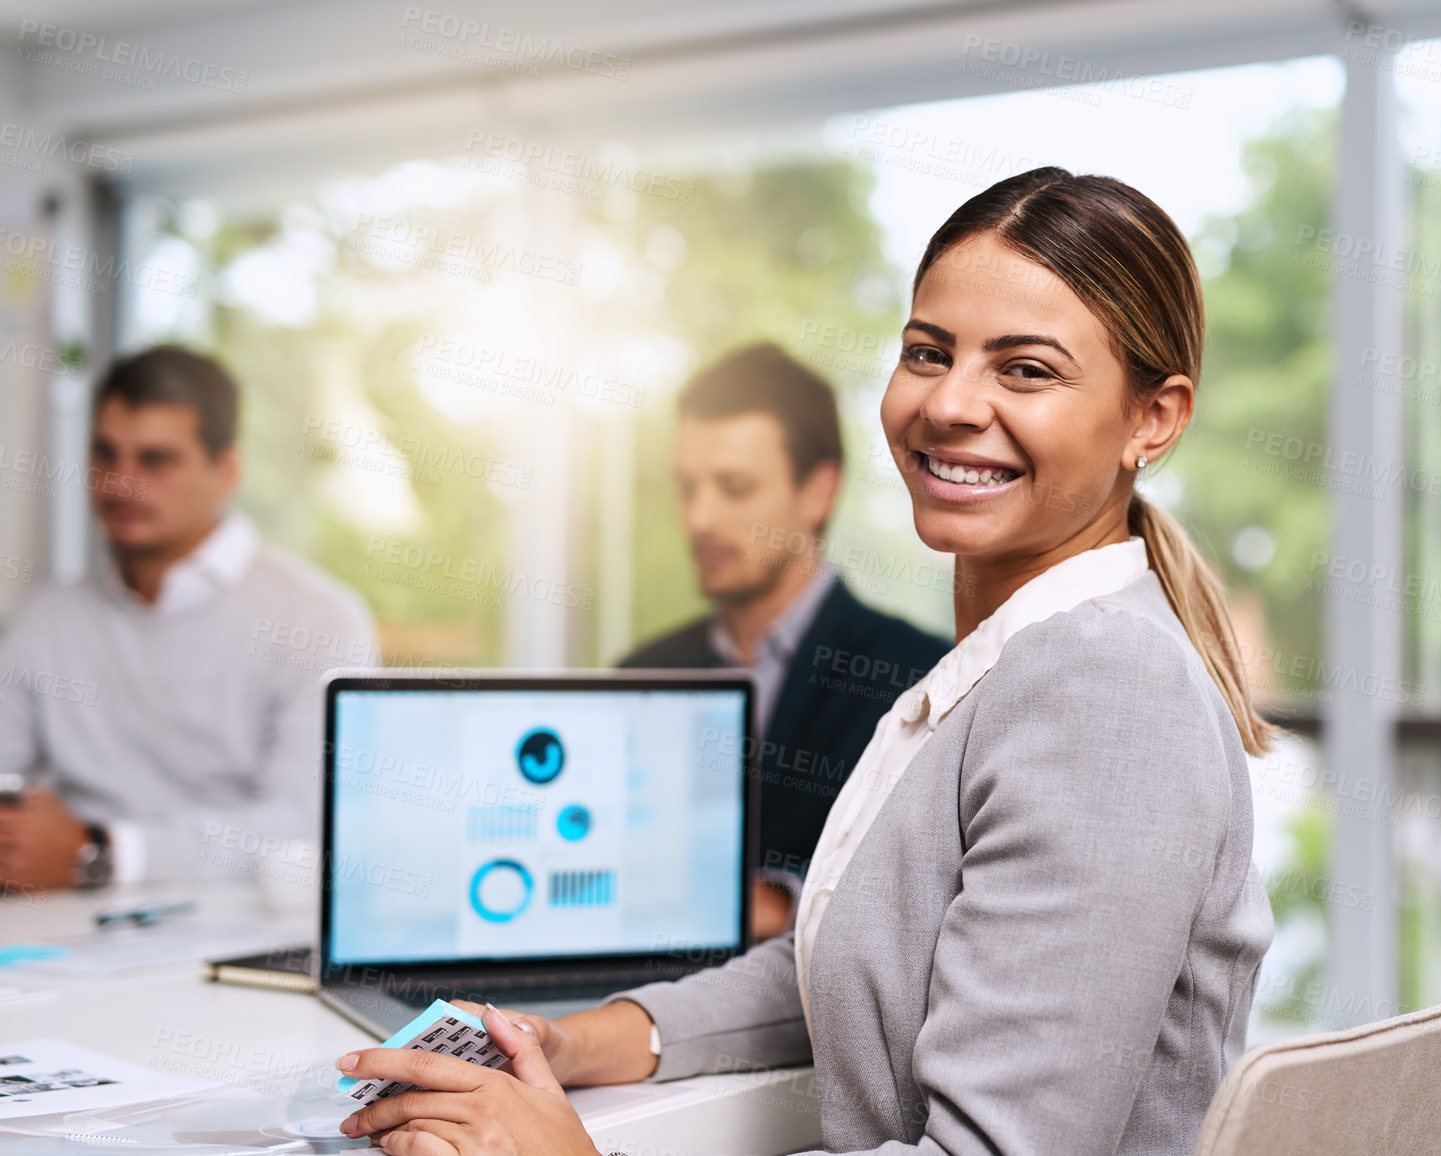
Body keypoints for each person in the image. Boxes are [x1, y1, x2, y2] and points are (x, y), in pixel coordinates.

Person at [334, 168, 1276, 1156]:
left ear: (1152, 419)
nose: (949, 403)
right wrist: (569, 1039)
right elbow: (854, 961)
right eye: (927, 352)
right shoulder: (1016, 657)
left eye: (1025, 370)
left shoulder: (1101, 687)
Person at [0, 346, 375, 893]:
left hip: (231, 938)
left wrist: (103, 851)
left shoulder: (317, 620)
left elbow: (305, 826)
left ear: (225, 470)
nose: (120, 482)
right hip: (54, 935)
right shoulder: (46, 617)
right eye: (105, 454)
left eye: (156, 460)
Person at [619, 342, 948, 938]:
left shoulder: (919, 680)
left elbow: (917, 908)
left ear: (818, 492)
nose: (699, 518)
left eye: (735, 487)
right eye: (687, 487)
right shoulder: (640, 678)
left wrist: (776, 904)